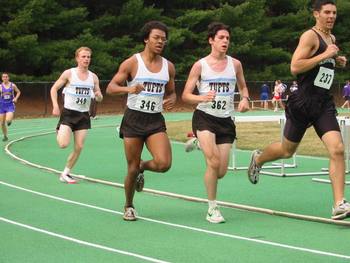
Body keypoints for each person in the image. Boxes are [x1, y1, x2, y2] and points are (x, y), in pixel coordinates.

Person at [248, 0, 350, 220]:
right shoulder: (310, 36)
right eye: (327, 12)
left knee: (338, 149)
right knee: (287, 151)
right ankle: (258, 159)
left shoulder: (331, 39)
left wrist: (336, 59)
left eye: (334, 13)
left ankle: (339, 204)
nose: (332, 16)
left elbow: (321, 67)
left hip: (323, 103)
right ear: (316, 14)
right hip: (302, 102)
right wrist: (326, 55)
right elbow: (295, 66)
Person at [106, 21, 176, 221]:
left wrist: (170, 100)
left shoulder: (168, 67)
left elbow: (172, 93)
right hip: (133, 119)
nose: (160, 41)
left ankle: (143, 167)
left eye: (163, 39)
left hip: (155, 120)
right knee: (131, 167)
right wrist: (129, 89)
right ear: (146, 39)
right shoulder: (132, 63)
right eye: (156, 37)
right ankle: (128, 205)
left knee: (164, 164)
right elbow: (111, 88)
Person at [182, 22, 250, 223]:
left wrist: (245, 99)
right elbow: (185, 95)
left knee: (220, 171)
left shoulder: (235, 64)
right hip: (204, 117)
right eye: (221, 38)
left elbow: (243, 88)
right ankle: (212, 208)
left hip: (226, 121)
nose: (225, 41)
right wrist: (200, 98)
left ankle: (198, 143)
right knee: (212, 162)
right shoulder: (200, 65)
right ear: (211, 40)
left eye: (227, 38)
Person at [50, 46, 103, 184]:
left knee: (79, 146)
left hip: (83, 115)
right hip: (68, 114)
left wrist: (98, 96)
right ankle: (60, 130)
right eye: (83, 56)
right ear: (77, 58)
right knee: (63, 144)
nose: (86, 59)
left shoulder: (93, 77)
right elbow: (54, 88)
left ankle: (66, 173)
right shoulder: (69, 73)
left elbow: (99, 97)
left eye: (88, 57)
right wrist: (55, 105)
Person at [0, 72, 21, 142]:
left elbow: (18, 92)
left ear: (8, 78)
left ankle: (9, 121)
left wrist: (16, 98)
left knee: (8, 120)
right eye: (3, 77)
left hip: (10, 105)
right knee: (2, 123)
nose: (5, 78)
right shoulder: (0, 86)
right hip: (2, 106)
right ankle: (5, 136)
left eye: (6, 77)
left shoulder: (12, 85)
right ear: (2, 78)